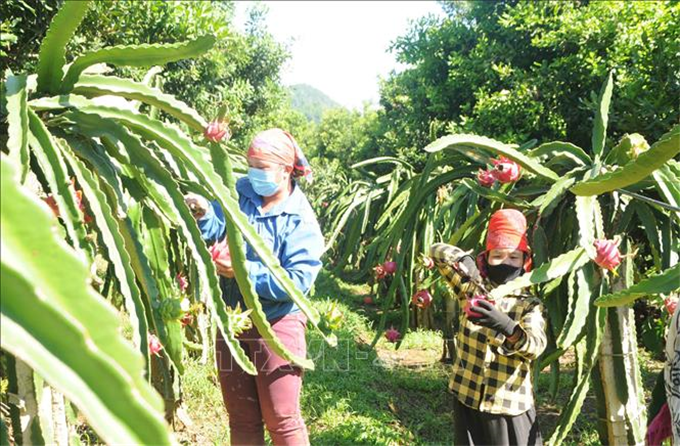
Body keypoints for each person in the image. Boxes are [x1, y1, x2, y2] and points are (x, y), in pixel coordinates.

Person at [185, 128, 324, 446]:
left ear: (286, 170)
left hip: (276, 325)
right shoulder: (241, 191)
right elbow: (218, 226)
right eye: (251, 165)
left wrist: (243, 271)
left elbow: (297, 282)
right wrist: (205, 213)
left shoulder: (301, 220)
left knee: (282, 418)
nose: (253, 174)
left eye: (262, 167)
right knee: (242, 418)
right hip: (232, 318)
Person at [429, 209, 547, 446]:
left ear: (526, 261)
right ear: (486, 258)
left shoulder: (528, 303)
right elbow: (436, 251)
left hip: (508, 404)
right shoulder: (471, 287)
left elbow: (536, 346)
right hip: (467, 395)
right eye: (498, 256)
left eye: (514, 257)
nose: (506, 262)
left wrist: (508, 327)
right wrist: (465, 261)